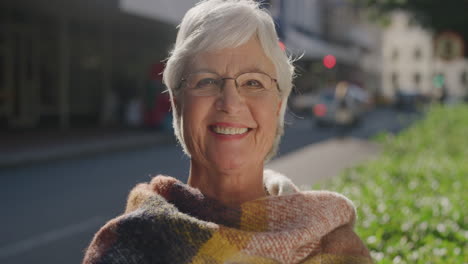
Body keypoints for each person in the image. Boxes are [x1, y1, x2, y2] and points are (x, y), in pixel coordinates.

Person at [82, 1, 372, 263]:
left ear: (278, 106)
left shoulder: (332, 242)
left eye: (254, 83)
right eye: (206, 81)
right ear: (177, 101)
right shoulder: (128, 245)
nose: (231, 103)